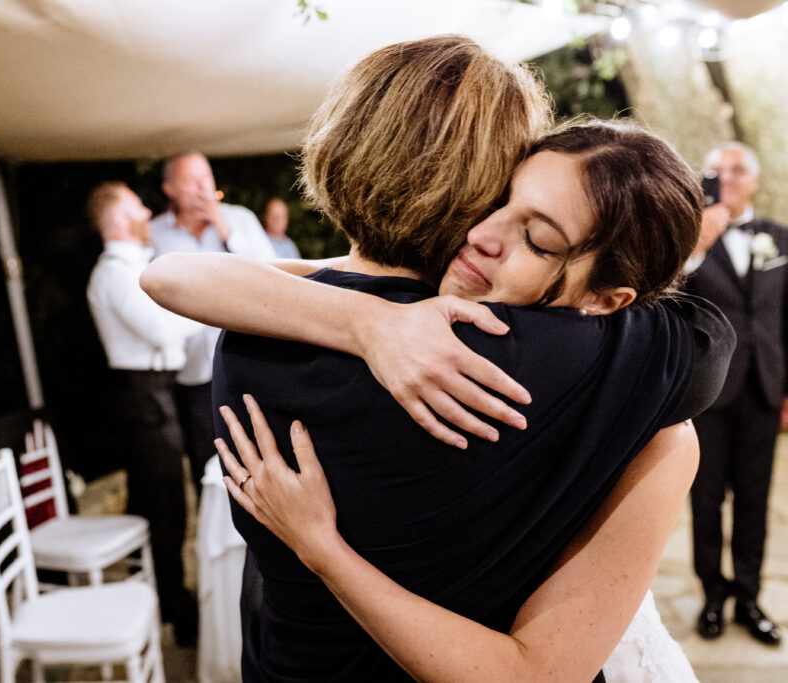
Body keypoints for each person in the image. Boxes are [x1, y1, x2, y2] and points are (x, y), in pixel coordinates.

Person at [142, 35, 731, 682]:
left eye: (532, 231)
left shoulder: (249, 329)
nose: (487, 232)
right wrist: (370, 322)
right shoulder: (541, 357)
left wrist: (359, 315)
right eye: (505, 197)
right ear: (481, 181)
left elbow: (173, 275)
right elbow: (706, 341)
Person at [85, 181, 202, 645]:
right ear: (116, 221)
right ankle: (171, 607)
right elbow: (161, 328)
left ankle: (162, 596)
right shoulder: (114, 274)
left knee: (164, 501)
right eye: (136, 208)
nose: (146, 214)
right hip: (143, 396)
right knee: (163, 505)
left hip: (155, 391)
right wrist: (211, 305)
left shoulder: (133, 265)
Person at [683, 141, 787, 645]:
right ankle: (713, 596)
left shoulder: (780, 238)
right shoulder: (689, 238)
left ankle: (749, 595)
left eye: (737, 169)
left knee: (755, 497)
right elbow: (669, 299)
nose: (726, 177)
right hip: (708, 392)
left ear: (755, 179)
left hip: (765, 389)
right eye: (715, 170)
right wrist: (697, 246)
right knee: (705, 499)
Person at [150, 152, 276, 494]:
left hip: (249, 354)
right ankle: (213, 535)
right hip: (191, 366)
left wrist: (225, 230)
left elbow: (274, 274)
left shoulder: (240, 219)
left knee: (258, 447)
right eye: (193, 181)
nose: (204, 188)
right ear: (170, 188)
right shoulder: (154, 233)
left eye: (207, 178)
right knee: (206, 456)